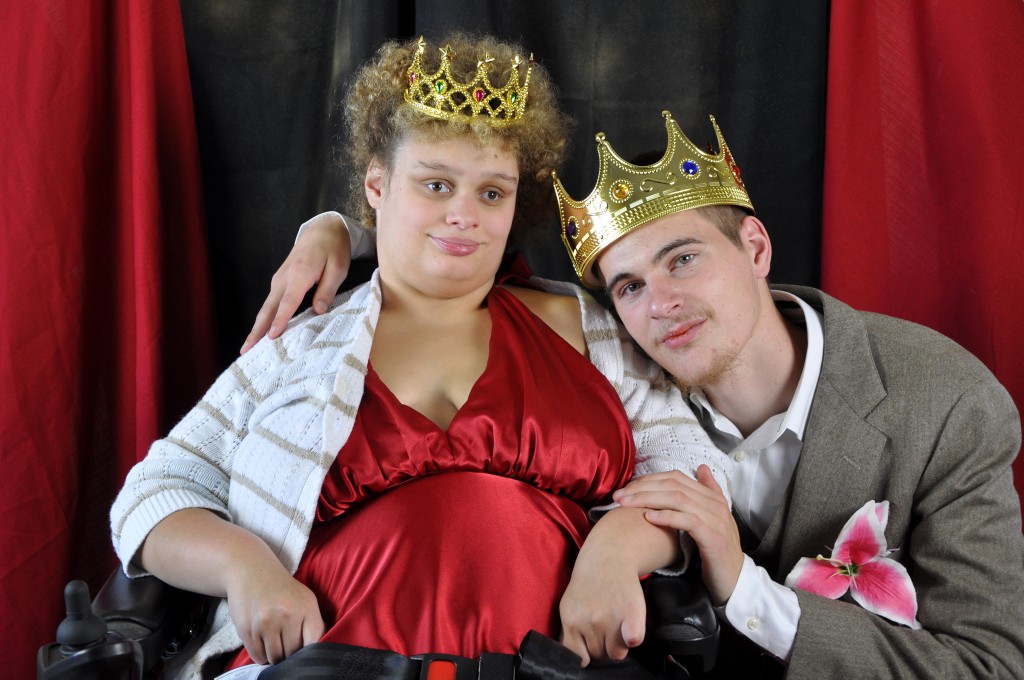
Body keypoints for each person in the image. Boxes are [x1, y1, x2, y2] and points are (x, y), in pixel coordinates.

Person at [252, 110, 1024, 678]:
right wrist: (337, 229)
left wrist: (746, 590)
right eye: (629, 285)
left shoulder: (943, 404)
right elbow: (453, 261)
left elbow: (989, 666)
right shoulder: (610, 361)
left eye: (683, 259)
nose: (661, 304)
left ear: (755, 247)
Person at [110, 35, 731, 680]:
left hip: (556, 668)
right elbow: (152, 495)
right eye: (436, 184)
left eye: (492, 193)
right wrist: (244, 568)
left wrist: (617, 549)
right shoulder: (298, 346)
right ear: (377, 185)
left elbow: (693, 468)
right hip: (327, 666)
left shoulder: (584, 327)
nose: (464, 215)